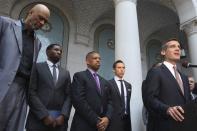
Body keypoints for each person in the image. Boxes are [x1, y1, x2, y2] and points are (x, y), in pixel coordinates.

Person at [0, 4, 50, 131]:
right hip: (4, 85)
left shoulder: (37, 43)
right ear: (30, 12)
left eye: (45, 21)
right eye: (40, 18)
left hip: (23, 92)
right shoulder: (5, 24)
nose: (42, 23)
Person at [143, 38, 192, 131]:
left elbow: (188, 101)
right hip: (164, 125)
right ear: (163, 52)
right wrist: (167, 109)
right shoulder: (156, 72)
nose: (177, 49)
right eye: (173, 46)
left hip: (185, 126)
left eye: (178, 47)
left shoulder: (184, 77)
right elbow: (150, 99)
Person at [25, 44, 71, 131]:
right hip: (37, 120)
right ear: (47, 52)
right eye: (56, 50)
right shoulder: (37, 67)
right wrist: (44, 115)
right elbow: (31, 92)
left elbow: (69, 96)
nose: (59, 52)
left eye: (60, 51)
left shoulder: (65, 73)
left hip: (59, 122)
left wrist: (63, 115)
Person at [70, 51, 113, 131]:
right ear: (87, 61)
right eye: (95, 58)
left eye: (99, 59)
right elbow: (78, 101)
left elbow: (110, 102)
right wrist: (96, 120)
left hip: (102, 126)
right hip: (84, 124)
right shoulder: (79, 76)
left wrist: (107, 118)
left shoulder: (104, 82)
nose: (98, 60)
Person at [108, 60, 132, 131]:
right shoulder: (108, 84)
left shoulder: (128, 85)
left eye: (123, 68)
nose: (122, 70)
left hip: (126, 120)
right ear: (114, 70)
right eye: (119, 67)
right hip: (113, 121)